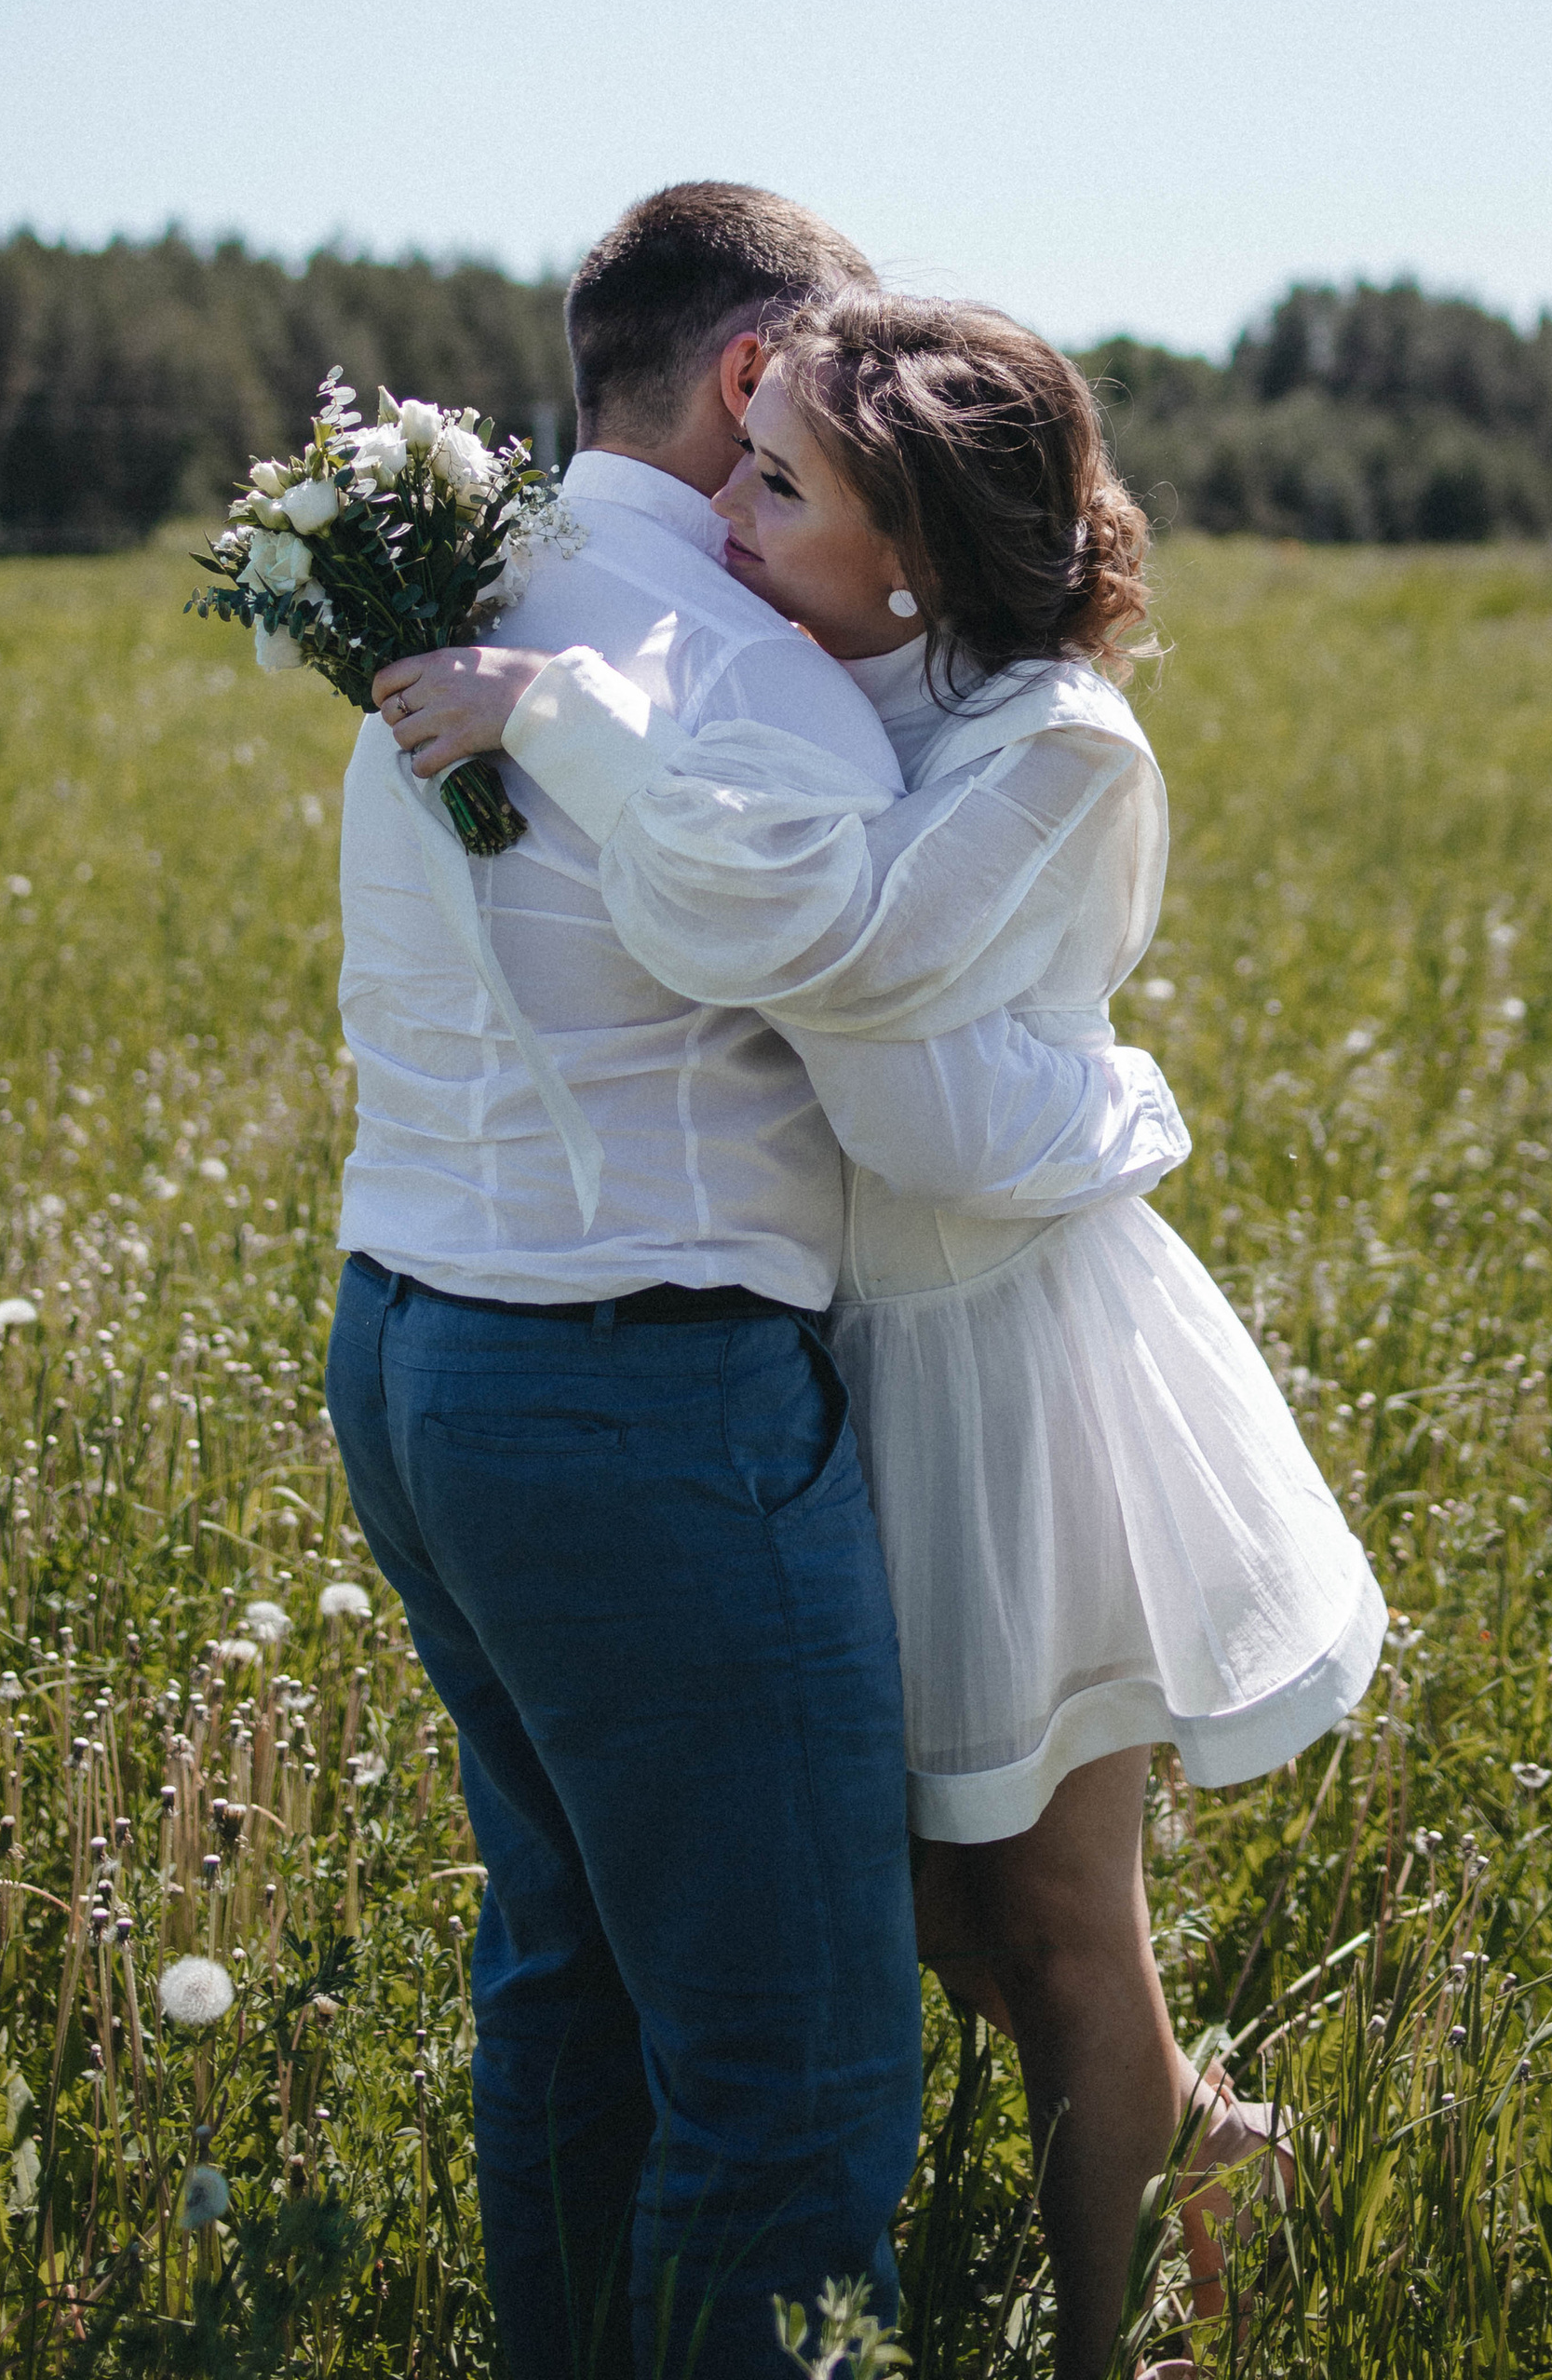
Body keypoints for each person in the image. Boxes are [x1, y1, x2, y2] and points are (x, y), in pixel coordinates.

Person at [386, 290, 1385, 2380]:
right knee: (923, 1923)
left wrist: (558, 709)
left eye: (785, 489)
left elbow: (841, 954)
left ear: (908, 545)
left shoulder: (1046, 747)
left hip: (1018, 1370)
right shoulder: (849, 688)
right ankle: (1209, 2142)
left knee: (1051, 1921)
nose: (732, 515)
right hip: (855, 1360)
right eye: (745, 468)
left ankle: (1109, 2342)